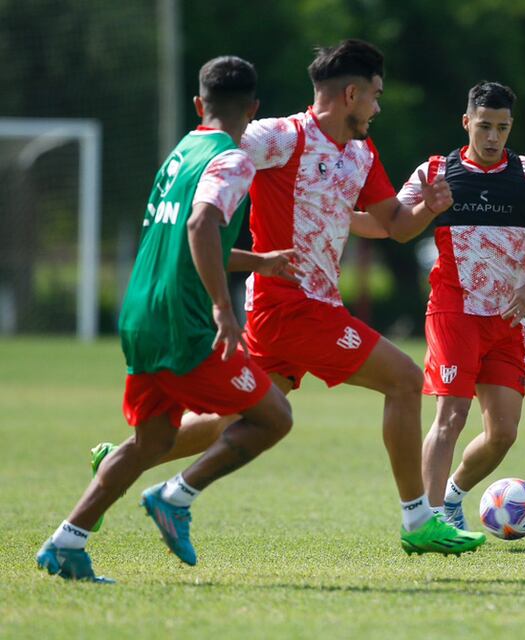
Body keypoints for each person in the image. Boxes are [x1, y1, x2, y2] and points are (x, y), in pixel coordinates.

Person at [91, 40, 485, 556]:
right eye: (375, 96)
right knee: (407, 381)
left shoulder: (362, 152)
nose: (378, 107)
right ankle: (418, 521)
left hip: (300, 309)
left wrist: (428, 209)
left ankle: (122, 461)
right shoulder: (279, 136)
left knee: (239, 416)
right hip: (288, 305)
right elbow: (212, 148)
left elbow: (393, 225)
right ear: (350, 94)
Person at [36, 56, 297, 582]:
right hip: (185, 322)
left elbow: (191, 239)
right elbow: (202, 226)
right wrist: (225, 308)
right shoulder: (233, 159)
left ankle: (66, 542)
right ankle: (176, 497)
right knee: (275, 417)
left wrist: (258, 261)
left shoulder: (182, 152)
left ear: (199, 105)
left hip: (140, 314)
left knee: (151, 441)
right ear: (254, 109)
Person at [395, 81, 525, 528]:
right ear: (466, 122)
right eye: (484, 126)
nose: (492, 137)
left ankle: (452, 496)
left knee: (503, 434)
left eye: (502, 128)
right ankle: (429, 521)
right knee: (450, 416)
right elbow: (393, 223)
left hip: (507, 319)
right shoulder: (436, 171)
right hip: (454, 313)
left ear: (511, 128)